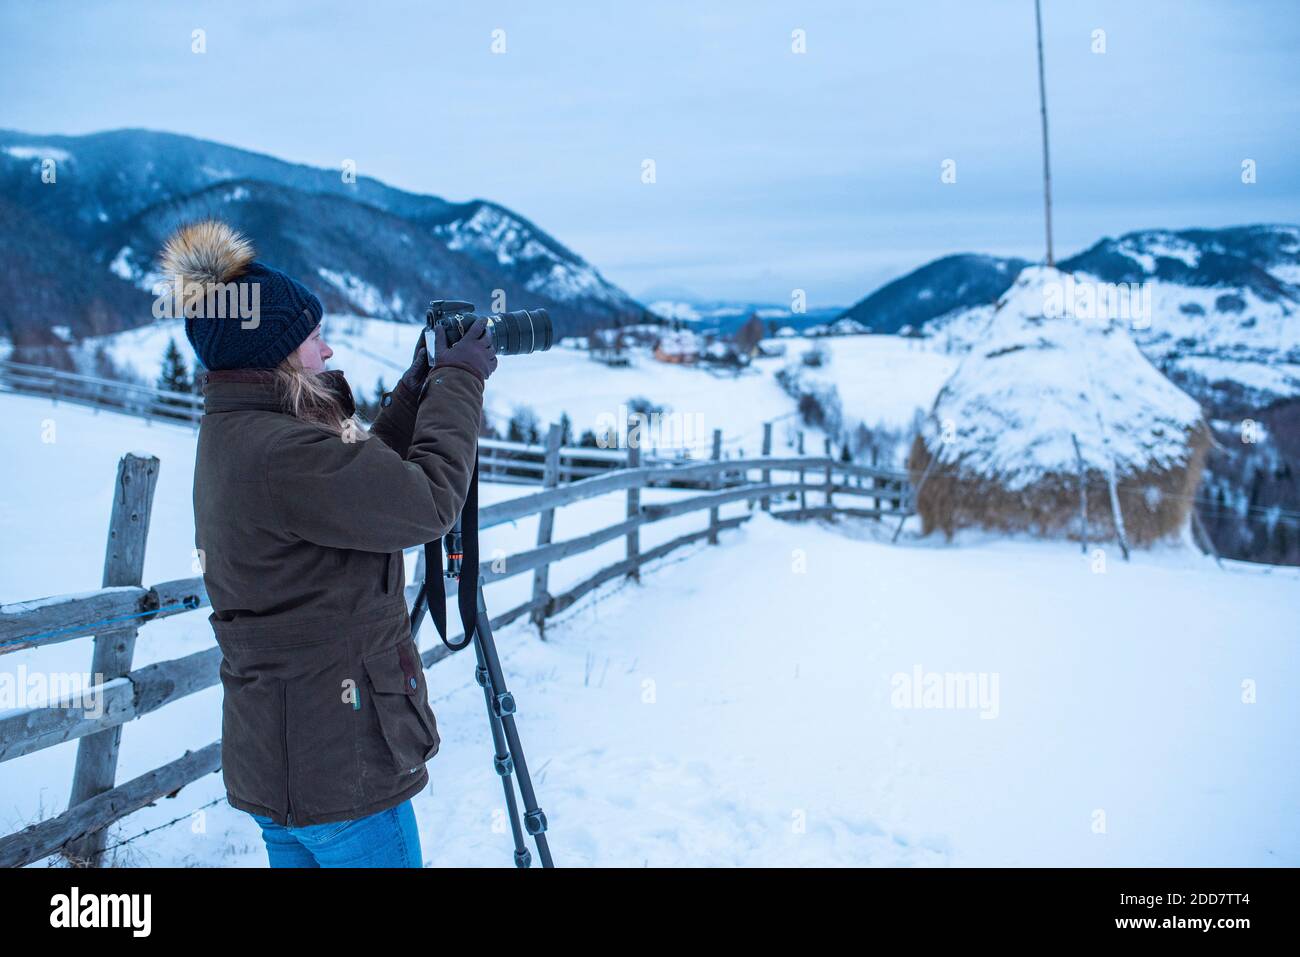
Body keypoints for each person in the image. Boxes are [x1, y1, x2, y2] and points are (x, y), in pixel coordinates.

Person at [163, 219, 497, 867]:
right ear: (277, 352)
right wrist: (462, 383)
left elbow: (364, 482)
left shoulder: (245, 434)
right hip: (340, 773)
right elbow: (425, 501)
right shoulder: (283, 452)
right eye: (314, 337)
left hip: (283, 770)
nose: (328, 350)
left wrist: (421, 382)